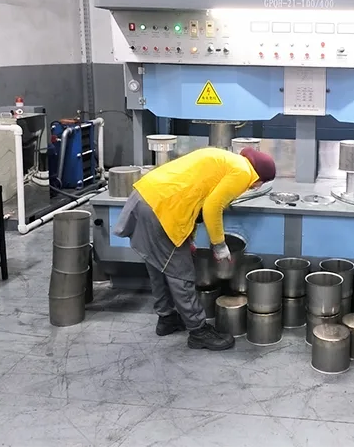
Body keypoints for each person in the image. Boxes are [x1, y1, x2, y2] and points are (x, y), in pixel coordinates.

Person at [113, 146, 276, 351]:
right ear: (259, 179)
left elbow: (194, 199)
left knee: (158, 265)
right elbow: (211, 207)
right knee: (181, 274)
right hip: (162, 209)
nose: (255, 188)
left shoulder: (225, 159)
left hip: (145, 196)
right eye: (260, 185)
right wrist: (219, 245)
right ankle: (198, 331)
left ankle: (166, 318)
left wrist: (189, 239)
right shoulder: (243, 173)